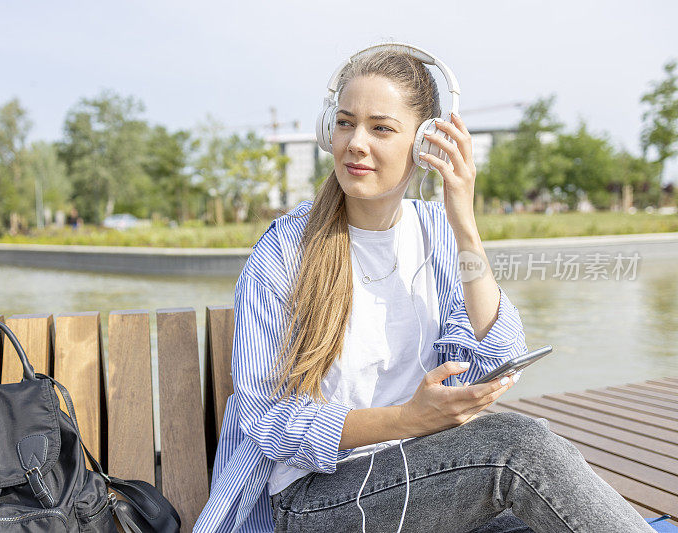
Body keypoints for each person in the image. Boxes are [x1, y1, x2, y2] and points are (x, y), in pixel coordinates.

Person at [195, 45, 655, 533]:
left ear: (425, 142)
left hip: (423, 479)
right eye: (346, 123)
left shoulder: (437, 233)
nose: (355, 142)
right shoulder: (286, 250)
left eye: (381, 128)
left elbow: (497, 355)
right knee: (519, 447)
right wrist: (409, 419)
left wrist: (464, 222)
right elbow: (268, 421)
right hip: (313, 499)